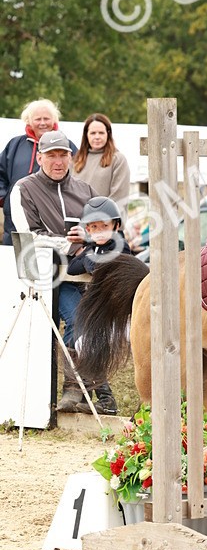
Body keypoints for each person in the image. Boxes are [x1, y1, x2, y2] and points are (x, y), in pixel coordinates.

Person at [8, 130, 95, 410]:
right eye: (51, 156)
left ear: (71, 157)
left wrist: (89, 238)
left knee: (89, 325)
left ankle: (85, 390)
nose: (58, 162)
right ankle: (77, 389)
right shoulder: (23, 188)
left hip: (84, 275)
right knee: (80, 320)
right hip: (42, 277)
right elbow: (28, 235)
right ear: (40, 158)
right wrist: (71, 246)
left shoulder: (85, 190)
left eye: (63, 155)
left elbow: (103, 228)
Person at [67, 196, 132, 413]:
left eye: (104, 226)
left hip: (120, 315)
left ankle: (106, 401)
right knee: (81, 344)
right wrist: (87, 253)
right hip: (103, 314)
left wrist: (87, 256)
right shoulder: (93, 248)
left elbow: (97, 268)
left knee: (86, 345)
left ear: (116, 225)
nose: (100, 231)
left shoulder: (121, 248)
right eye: (94, 227)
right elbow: (72, 268)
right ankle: (96, 398)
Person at [0, 99, 76, 245]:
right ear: (28, 121)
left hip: (53, 218)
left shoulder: (68, 146)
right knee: (15, 260)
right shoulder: (15, 145)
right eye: (38, 119)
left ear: (54, 120)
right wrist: (5, 198)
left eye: (46, 118)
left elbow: (77, 178)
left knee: (49, 259)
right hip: (15, 218)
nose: (42, 123)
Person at [72, 114, 131, 219]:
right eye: (93, 133)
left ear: (108, 134)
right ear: (86, 135)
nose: (97, 137)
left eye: (101, 133)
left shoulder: (118, 159)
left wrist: (96, 219)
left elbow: (118, 197)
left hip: (107, 226)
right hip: (80, 225)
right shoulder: (76, 161)